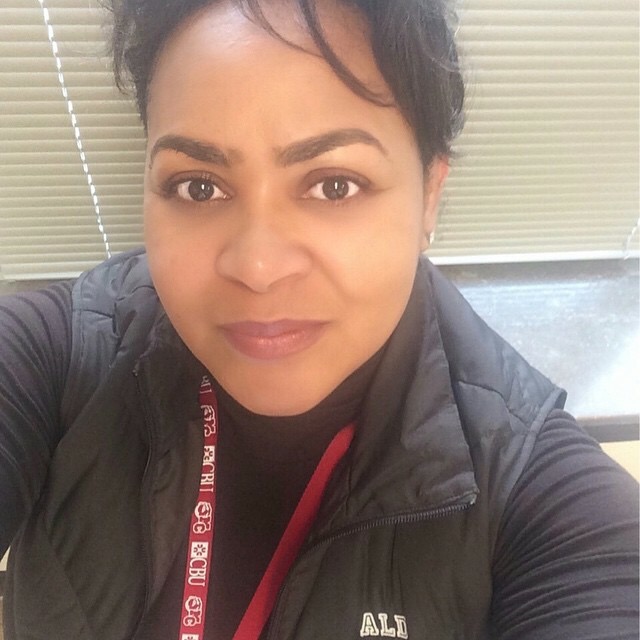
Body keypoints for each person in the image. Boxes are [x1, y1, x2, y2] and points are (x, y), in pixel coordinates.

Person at [0, 0, 638, 638]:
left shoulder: (539, 497)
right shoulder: (59, 356)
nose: (257, 266)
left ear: (429, 197)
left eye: (335, 185)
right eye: (199, 186)